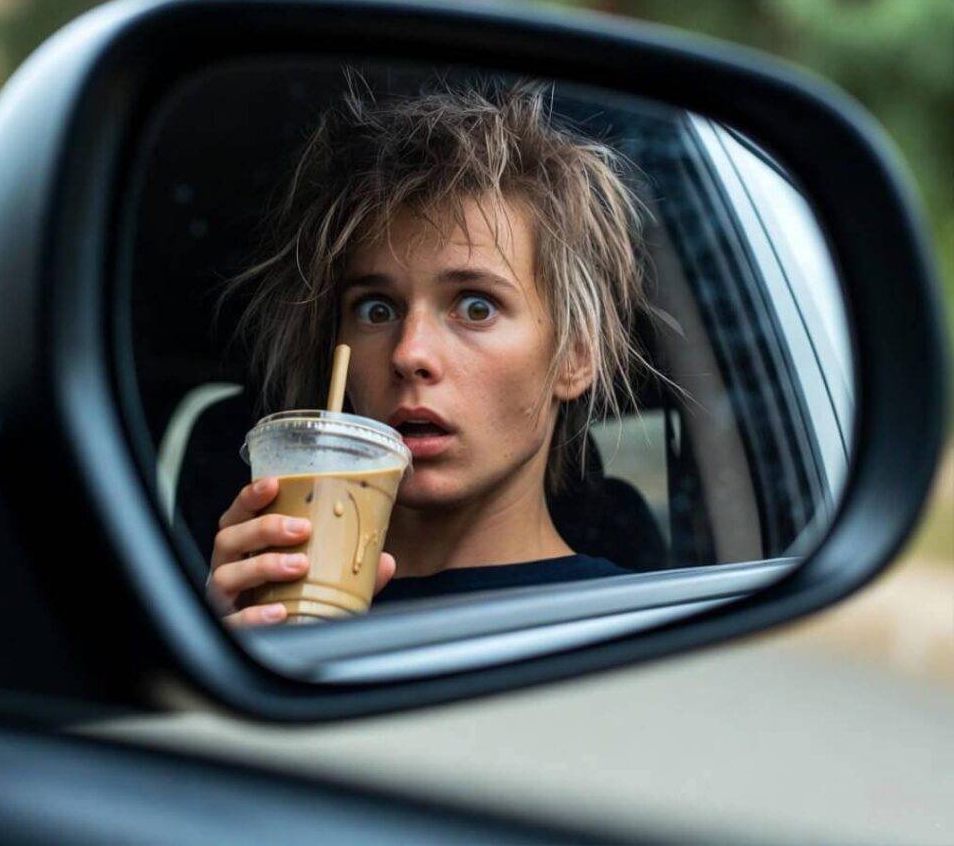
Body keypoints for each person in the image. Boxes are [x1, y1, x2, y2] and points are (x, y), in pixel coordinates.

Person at [209, 80, 651, 627]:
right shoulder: (283, 607)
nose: (409, 353)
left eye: (476, 306)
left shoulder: (633, 627)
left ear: (575, 355)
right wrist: (225, 646)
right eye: (376, 310)